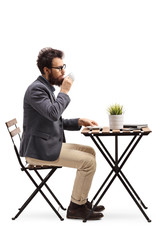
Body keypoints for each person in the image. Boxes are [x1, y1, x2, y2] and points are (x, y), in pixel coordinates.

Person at [20, 47, 104, 220]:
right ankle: (75, 208)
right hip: (38, 150)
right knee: (87, 162)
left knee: (90, 152)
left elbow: (54, 119)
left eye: (63, 66)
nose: (63, 71)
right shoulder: (36, 90)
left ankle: (81, 200)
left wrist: (79, 121)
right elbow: (53, 114)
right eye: (59, 68)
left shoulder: (45, 89)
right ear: (46, 70)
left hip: (46, 144)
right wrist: (64, 91)